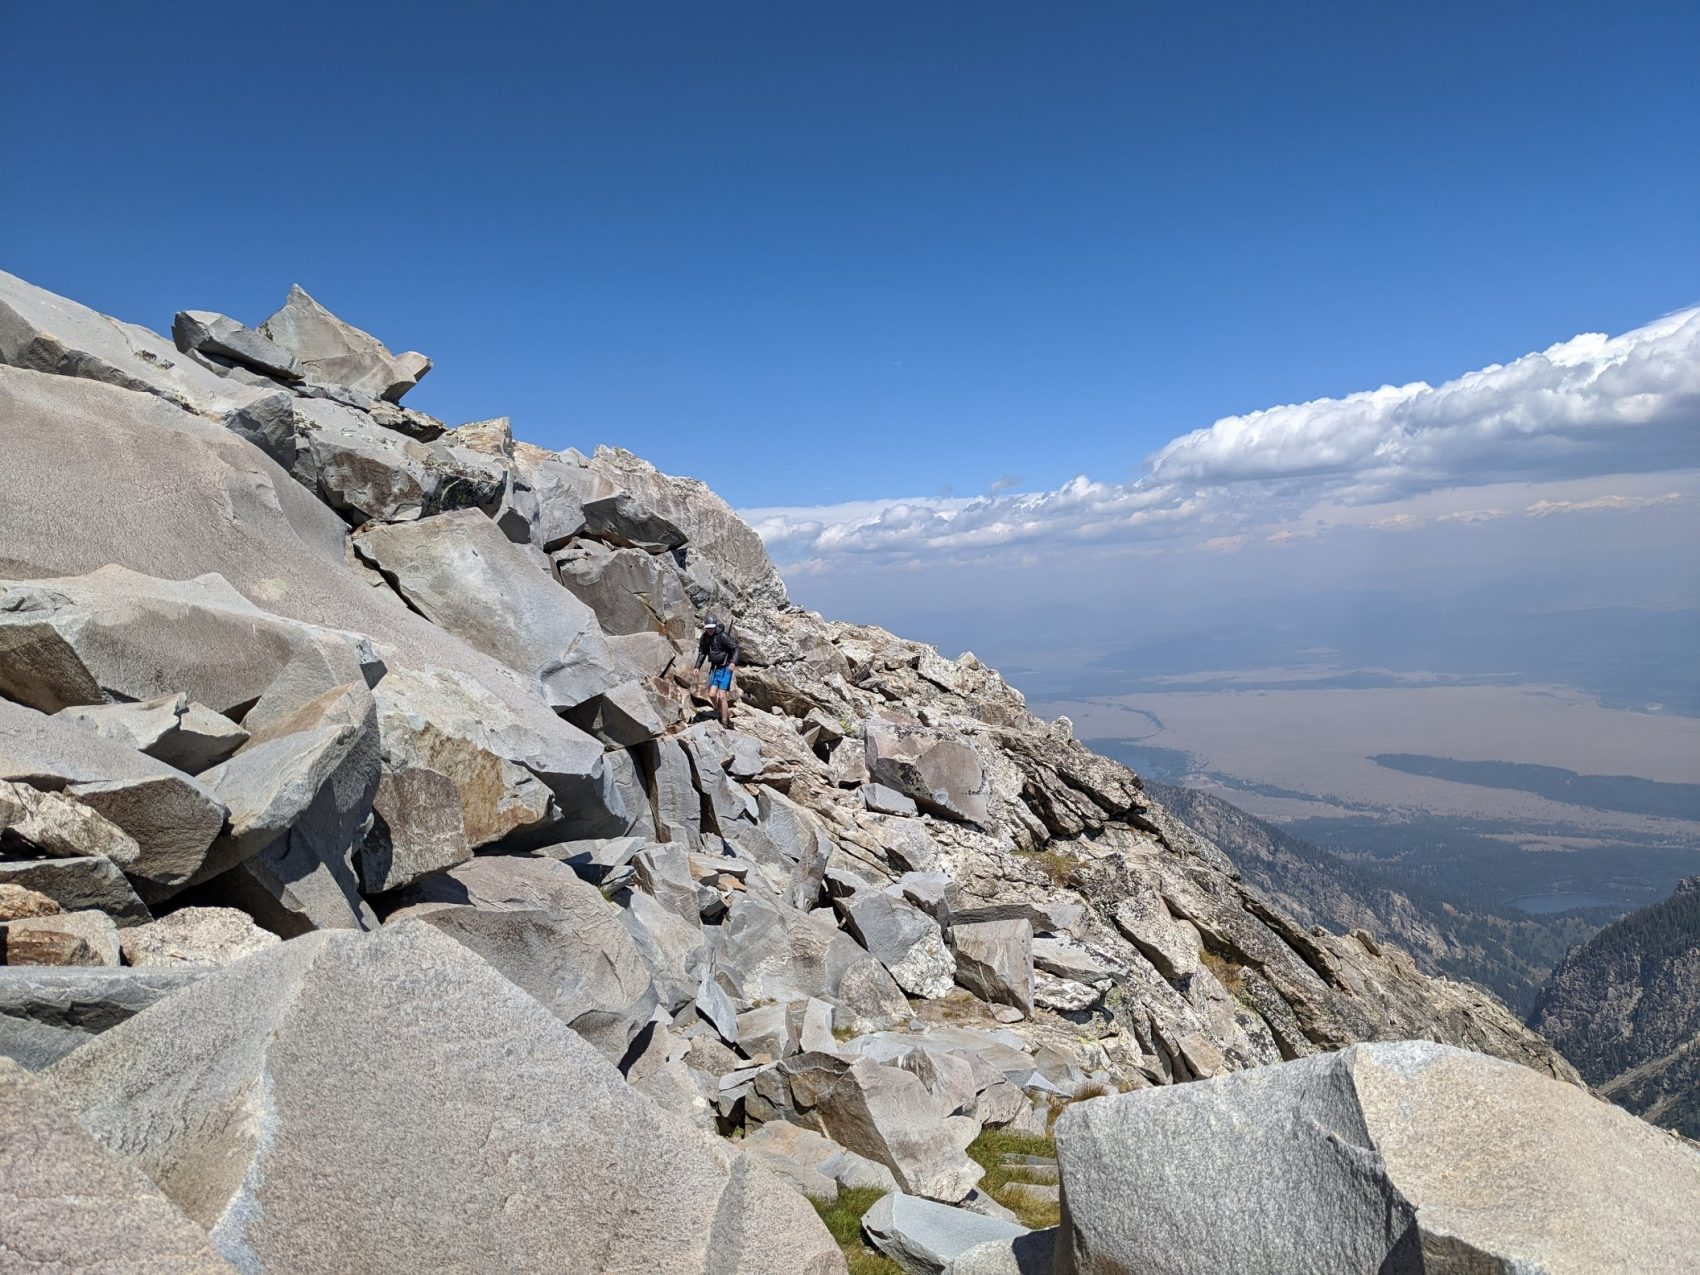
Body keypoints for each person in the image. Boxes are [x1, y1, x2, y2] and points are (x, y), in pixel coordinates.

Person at [694, 615, 740, 728]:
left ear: (715, 626)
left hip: (726, 668)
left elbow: (735, 648)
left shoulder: (722, 636)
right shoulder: (704, 637)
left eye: (711, 628)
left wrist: (733, 662)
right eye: (708, 628)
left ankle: (725, 722)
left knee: (722, 696)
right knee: (711, 694)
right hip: (714, 668)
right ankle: (722, 712)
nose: (710, 630)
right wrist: (697, 667)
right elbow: (702, 653)